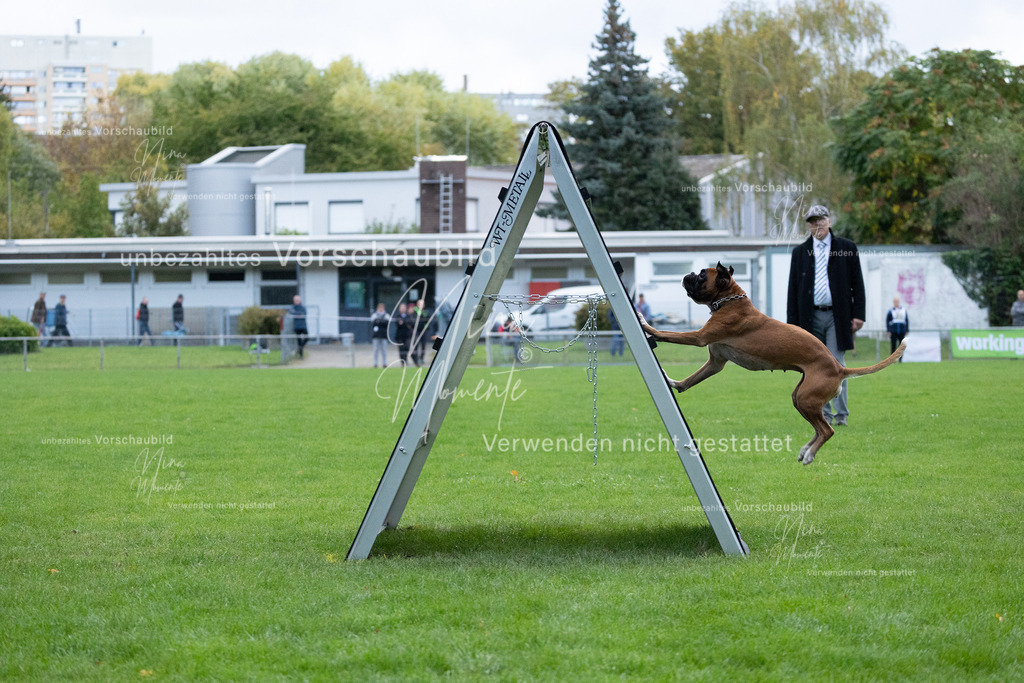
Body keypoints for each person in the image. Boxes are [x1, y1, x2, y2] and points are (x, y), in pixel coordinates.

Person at [787, 205, 865, 427]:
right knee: (813, 367)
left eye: (820, 219)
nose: (817, 224)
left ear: (829, 221)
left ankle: (841, 415)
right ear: (808, 226)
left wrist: (858, 315)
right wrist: (792, 326)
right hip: (808, 318)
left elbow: (857, 284)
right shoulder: (800, 253)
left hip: (837, 317)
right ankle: (825, 414)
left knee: (836, 364)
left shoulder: (847, 248)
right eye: (812, 221)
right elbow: (793, 290)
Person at [411, 298, 433, 367]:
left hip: (423, 330)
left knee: (423, 345)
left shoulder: (425, 312)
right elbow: (413, 320)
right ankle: (416, 359)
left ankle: (421, 358)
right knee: (416, 345)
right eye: (419, 304)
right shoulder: (414, 311)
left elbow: (428, 319)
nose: (421, 305)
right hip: (416, 331)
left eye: (422, 304)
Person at [370, 303, 390, 368]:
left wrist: (379, 321)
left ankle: (384, 363)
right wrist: (381, 321)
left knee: (384, 350)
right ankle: (375, 363)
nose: (380, 309)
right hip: (376, 335)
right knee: (376, 350)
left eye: (382, 308)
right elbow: (373, 322)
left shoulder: (386, 315)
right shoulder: (374, 315)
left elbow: (386, 323)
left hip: (384, 335)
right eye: (379, 308)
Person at [392, 302, 412, 366]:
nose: (402, 309)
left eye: (404, 308)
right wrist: (405, 323)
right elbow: (399, 324)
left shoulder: (408, 316)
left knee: (407, 348)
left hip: (407, 335)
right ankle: (402, 362)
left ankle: (406, 360)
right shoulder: (398, 316)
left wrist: (404, 322)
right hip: (399, 336)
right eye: (401, 308)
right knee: (401, 349)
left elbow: (409, 324)